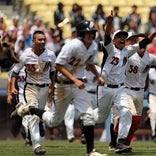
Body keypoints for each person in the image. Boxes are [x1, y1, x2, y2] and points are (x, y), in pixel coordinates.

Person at [14, 20, 107, 156]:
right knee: (53, 121)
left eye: (92, 32)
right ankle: (30, 109)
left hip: (78, 85)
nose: (90, 35)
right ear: (81, 33)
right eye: (87, 32)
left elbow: (90, 63)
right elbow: (58, 66)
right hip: (63, 84)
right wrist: (74, 79)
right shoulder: (72, 45)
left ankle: (90, 151)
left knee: (89, 115)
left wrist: (98, 76)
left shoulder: (93, 46)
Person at [94, 10, 155, 154]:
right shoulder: (109, 49)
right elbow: (107, 35)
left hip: (121, 89)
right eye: (119, 36)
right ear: (114, 40)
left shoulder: (127, 51)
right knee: (100, 117)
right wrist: (109, 22)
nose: (122, 38)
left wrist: (153, 34)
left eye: (124, 37)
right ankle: (87, 118)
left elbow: (144, 43)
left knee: (127, 112)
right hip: (105, 88)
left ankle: (120, 142)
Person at [11, 30, 56, 155]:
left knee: (37, 116)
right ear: (33, 41)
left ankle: (20, 110)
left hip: (45, 88)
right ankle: (37, 145)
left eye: (43, 39)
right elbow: (15, 72)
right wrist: (13, 88)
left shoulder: (51, 55)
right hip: (30, 87)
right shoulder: (26, 55)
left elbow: (53, 72)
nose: (42, 41)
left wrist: (52, 85)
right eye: (39, 39)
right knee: (33, 116)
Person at [109, 32, 156, 151]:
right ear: (136, 43)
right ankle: (117, 133)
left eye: (145, 43)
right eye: (141, 42)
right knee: (132, 116)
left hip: (140, 92)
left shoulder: (150, 58)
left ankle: (124, 145)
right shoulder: (128, 55)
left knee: (137, 122)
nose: (143, 45)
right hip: (126, 90)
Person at [64, 65, 101, 143]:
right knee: (83, 114)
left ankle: (86, 134)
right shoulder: (80, 70)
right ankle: (83, 135)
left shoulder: (99, 70)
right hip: (83, 94)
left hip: (95, 94)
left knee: (93, 115)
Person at [148, 67, 156, 142]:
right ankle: (154, 134)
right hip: (152, 95)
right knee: (154, 113)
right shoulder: (150, 71)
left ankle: (148, 117)